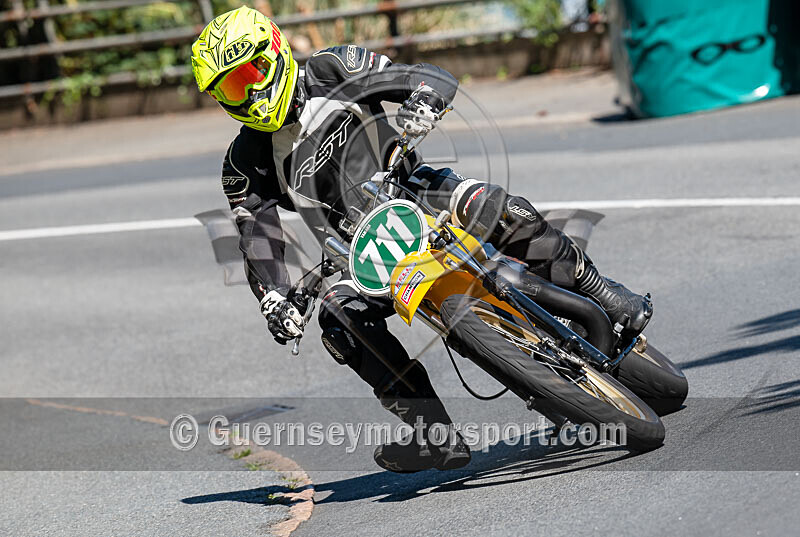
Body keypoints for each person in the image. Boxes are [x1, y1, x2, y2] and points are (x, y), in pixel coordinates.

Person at [190, 6, 652, 473]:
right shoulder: (242, 163)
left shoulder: (332, 68)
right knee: (338, 320)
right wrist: (275, 297)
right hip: (354, 252)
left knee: (506, 210)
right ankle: (431, 431)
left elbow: (420, 76)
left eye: (248, 73)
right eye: (229, 87)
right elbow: (258, 237)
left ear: (274, 52)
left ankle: (606, 297)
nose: (246, 92)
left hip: (414, 190)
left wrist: (424, 98)